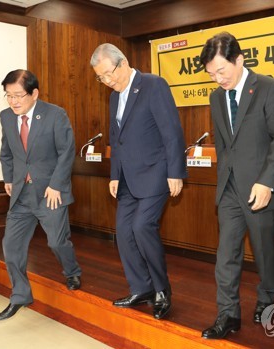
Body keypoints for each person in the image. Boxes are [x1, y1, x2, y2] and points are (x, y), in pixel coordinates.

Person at [199, 32, 274, 339]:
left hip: (262, 187)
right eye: (211, 74)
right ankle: (228, 314)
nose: (218, 79)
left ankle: (267, 298)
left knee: (264, 250)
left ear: (239, 60)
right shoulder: (216, 97)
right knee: (226, 253)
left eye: (222, 71)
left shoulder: (269, 88)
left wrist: (267, 181)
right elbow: (225, 142)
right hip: (230, 187)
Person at [90, 43, 187, 320]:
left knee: (143, 226)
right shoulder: (113, 97)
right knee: (124, 231)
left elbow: (172, 131)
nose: (107, 82)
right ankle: (141, 288)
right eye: (101, 78)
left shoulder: (153, 85)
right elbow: (116, 139)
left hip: (156, 171)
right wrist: (114, 174)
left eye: (109, 74)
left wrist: (176, 172)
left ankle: (161, 290)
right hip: (127, 178)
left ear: (123, 63)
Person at [0, 69, 82, 321]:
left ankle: (72, 270)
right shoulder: (6, 117)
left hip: (49, 191)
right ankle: (20, 295)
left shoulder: (55, 115)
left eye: (18, 95)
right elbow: (6, 152)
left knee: (57, 241)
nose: (13, 101)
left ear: (34, 93)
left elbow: (67, 152)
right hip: (21, 193)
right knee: (11, 246)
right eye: (8, 96)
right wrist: (9, 177)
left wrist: (56, 184)